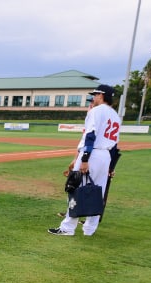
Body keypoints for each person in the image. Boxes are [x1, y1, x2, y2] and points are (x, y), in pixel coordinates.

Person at [48, 84, 121, 237]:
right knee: (97, 192)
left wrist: (85, 158)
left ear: (101, 95)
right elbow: (115, 145)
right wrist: (111, 167)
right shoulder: (115, 115)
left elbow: (91, 135)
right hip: (106, 156)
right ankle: (89, 229)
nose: (93, 98)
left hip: (92, 153)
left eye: (95, 95)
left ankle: (67, 228)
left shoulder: (96, 111)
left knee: (76, 189)